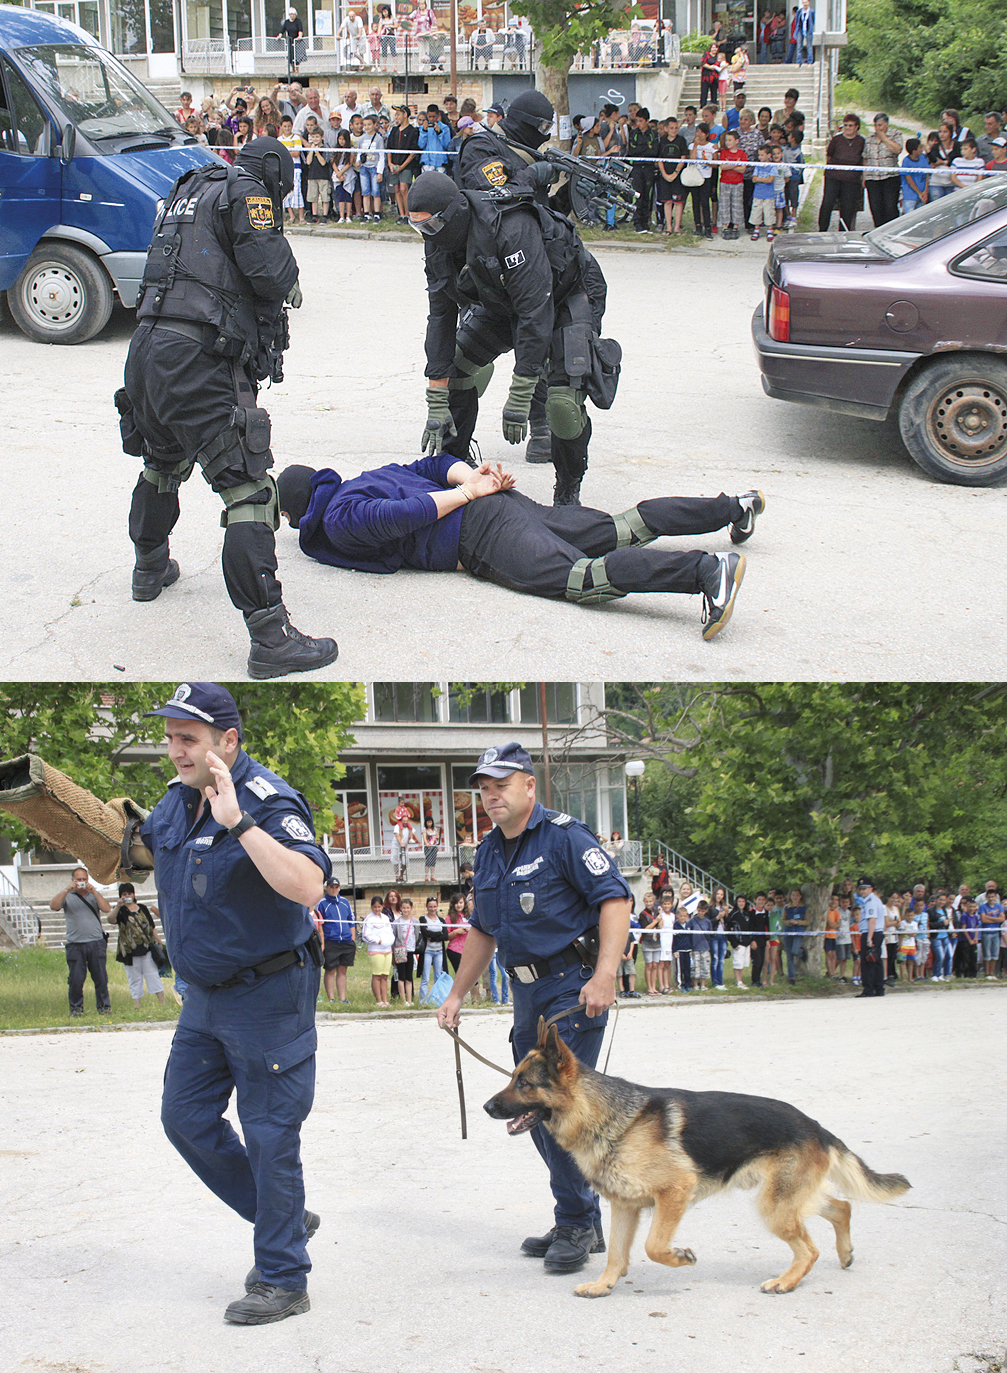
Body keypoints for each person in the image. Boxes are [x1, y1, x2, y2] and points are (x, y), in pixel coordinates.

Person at [137, 682, 328, 1324]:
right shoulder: (174, 804)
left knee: (272, 1135)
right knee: (184, 1117)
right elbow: (140, 854)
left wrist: (238, 824)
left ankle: (282, 1277)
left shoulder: (267, 801)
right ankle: (285, 1218)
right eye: (170, 738)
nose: (175, 751)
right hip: (205, 1000)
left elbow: (307, 885)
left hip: (269, 996)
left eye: (187, 738)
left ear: (229, 741)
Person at [115, 138, 337, 679]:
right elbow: (271, 273)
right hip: (197, 356)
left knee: (162, 461)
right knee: (249, 492)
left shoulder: (188, 190)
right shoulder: (249, 192)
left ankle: (149, 568)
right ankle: (271, 636)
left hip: (146, 350)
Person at [436, 742, 632, 1274]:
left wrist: (605, 974)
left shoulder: (565, 837)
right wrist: (456, 993)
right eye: (484, 787)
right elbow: (483, 929)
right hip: (526, 996)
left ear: (529, 785)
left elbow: (615, 900)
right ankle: (581, 1217)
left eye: (501, 784)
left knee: (556, 1106)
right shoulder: (489, 851)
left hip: (572, 990)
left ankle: (574, 1220)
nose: (491, 795)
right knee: (535, 1109)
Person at [277, 456, 761, 640]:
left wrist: (469, 492)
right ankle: (733, 506)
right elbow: (435, 463)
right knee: (621, 527)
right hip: (503, 505)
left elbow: (395, 518)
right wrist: (475, 476)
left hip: (480, 532)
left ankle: (706, 572)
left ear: (299, 511)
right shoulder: (363, 479)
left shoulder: (337, 521)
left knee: (584, 577)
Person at [406, 164, 619, 507]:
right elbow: (441, 315)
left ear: (454, 213)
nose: (427, 234)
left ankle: (567, 491)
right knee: (457, 370)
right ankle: (458, 470)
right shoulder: (438, 243)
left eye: (431, 224)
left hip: (566, 295)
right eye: (419, 227)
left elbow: (536, 312)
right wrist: (436, 396)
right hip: (503, 300)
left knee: (562, 404)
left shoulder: (510, 228)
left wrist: (520, 395)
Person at [50, 866, 112, 1016]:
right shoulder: (68, 896)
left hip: (95, 942)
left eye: (84, 879)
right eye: (78, 879)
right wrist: (66, 890)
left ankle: (104, 1008)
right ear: (73, 880)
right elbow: (54, 906)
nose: (81, 882)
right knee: (76, 980)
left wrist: (95, 892)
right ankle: (76, 1008)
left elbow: (107, 908)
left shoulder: (93, 895)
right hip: (75, 944)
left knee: (101, 978)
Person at [113, 882, 166, 1009]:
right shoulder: (120, 911)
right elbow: (111, 920)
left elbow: (151, 927)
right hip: (129, 951)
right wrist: (118, 906)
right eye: (124, 894)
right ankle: (137, 1005)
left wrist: (159, 942)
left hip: (146, 948)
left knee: (153, 975)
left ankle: (162, 1002)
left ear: (134, 894)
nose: (127, 896)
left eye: (129, 893)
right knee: (134, 979)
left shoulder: (142, 908)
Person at [818, 114, 864, 231]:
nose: (848, 128)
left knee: (848, 207)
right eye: (845, 125)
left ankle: (843, 232)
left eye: (851, 125)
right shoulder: (836, 140)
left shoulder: (861, 141)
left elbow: (863, 159)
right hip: (833, 176)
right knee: (827, 203)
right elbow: (829, 155)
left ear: (856, 127)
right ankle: (822, 230)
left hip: (851, 179)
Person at [317, 876, 356, 1004]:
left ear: (339, 888)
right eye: (331, 887)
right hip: (331, 941)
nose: (334, 890)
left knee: (342, 970)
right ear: (327, 888)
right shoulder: (322, 903)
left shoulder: (345, 902)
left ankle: (342, 998)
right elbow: (320, 924)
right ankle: (331, 998)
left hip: (346, 941)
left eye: (336, 887)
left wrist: (353, 939)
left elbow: (351, 921)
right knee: (330, 970)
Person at [863, 114, 903, 227]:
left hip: (890, 177)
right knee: (875, 207)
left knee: (890, 207)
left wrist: (884, 138)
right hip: (873, 178)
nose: (878, 128)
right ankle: (878, 228)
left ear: (886, 124)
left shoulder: (895, 134)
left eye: (880, 125)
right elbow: (865, 158)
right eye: (876, 125)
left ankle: (892, 229)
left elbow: (898, 149)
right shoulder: (869, 138)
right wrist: (864, 177)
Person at [628, 107, 659, 234]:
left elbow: (654, 151)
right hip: (636, 168)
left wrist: (644, 149)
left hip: (648, 168)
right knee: (637, 194)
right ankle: (637, 222)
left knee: (647, 195)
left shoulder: (653, 134)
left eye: (641, 121)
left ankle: (646, 222)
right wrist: (646, 147)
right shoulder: (633, 133)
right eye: (637, 121)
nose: (639, 124)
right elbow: (632, 151)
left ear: (647, 121)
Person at [362, 895, 394, 1005]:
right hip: (376, 950)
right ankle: (379, 1000)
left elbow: (390, 931)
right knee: (377, 975)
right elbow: (366, 935)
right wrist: (379, 941)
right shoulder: (369, 919)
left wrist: (390, 940)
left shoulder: (385, 918)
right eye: (375, 907)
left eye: (379, 907)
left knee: (385, 976)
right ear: (371, 907)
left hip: (387, 950)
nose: (377, 909)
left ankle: (385, 1000)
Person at [856, 876, 885, 998]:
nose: (862, 891)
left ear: (871, 889)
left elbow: (872, 920)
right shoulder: (874, 900)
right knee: (876, 961)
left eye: (865, 888)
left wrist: (869, 938)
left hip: (871, 933)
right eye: (860, 889)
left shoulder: (870, 901)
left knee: (868, 962)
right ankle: (879, 988)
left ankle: (869, 989)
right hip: (876, 933)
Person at [417, 896, 448, 1001]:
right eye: (430, 906)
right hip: (427, 952)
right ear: (427, 907)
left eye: (434, 906)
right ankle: (423, 1001)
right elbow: (425, 933)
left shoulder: (441, 920)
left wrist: (433, 937)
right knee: (425, 977)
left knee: (438, 977)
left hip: (439, 952)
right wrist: (439, 934)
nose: (432, 909)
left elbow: (445, 936)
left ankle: (437, 999)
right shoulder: (423, 919)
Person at [717, 129, 747, 238]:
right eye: (726, 140)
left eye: (730, 140)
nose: (727, 142)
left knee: (737, 204)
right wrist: (735, 164)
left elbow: (743, 169)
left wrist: (731, 165)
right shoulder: (724, 153)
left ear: (737, 141)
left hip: (738, 182)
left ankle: (735, 227)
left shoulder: (742, 153)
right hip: (725, 181)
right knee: (724, 204)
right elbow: (723, 166)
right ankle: (725, 226)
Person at [392, 896, 418, 1004]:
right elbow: (394, 937)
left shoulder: (415, 921)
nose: (406, 910)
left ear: (411, 908)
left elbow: (416, 934)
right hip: (400, 950)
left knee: (409, 977)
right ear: (400, 908)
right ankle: (403, 1000)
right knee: (401, 977)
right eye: (404, 908)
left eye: (408, 908)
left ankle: (410, 999)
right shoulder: (397, 922)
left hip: (411, 950)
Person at [978, 882, 1003, 979]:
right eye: (989, 897)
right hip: (986, 932)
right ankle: (987, 973)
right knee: (987, 954)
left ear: (995, 897)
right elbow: (983, 920)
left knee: (995, 954)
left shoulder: (999, 906)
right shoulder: (983, 906)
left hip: (996, 932)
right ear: (986, 897)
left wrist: (989, 917)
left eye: (993, 897)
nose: (991, 898)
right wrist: (995, 918)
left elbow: (1002, 919)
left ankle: (992, 973)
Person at [726, 894, 750, 989]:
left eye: (743, 901)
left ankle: (741, 980)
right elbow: (728, 928)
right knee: (737, 962)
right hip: (737, 942)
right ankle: (738, 981)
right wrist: (733, 942)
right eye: (739, 901)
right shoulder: (733, 914)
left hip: (746, 942)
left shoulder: (747, 914)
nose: (741, 903)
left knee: (743, 962)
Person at [783, 888, 807, 983]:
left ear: (800, 896)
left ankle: (801, 952)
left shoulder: (804, 908)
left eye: (797, 895)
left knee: (794, 951)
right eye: (793, 895)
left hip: (798, 931)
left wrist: (798, 922)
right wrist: (789, 922)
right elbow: (783, 921)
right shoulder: (787, 908)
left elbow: (807, 921)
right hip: (788, 931)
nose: (795, 897)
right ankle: (791, 977)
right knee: (789, 955)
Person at [422, 815, 440, 882]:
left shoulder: (435, 829)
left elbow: (438, 836)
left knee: (433, 861)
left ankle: (432, 876)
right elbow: (424, 836)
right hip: (428, 847)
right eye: (428, 822)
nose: (429, 823)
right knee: (428, 861)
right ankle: (426, 876)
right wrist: (426, 843)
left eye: (430, 822)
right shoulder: (425, 829)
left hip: (434, 846)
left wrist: (436, 836)